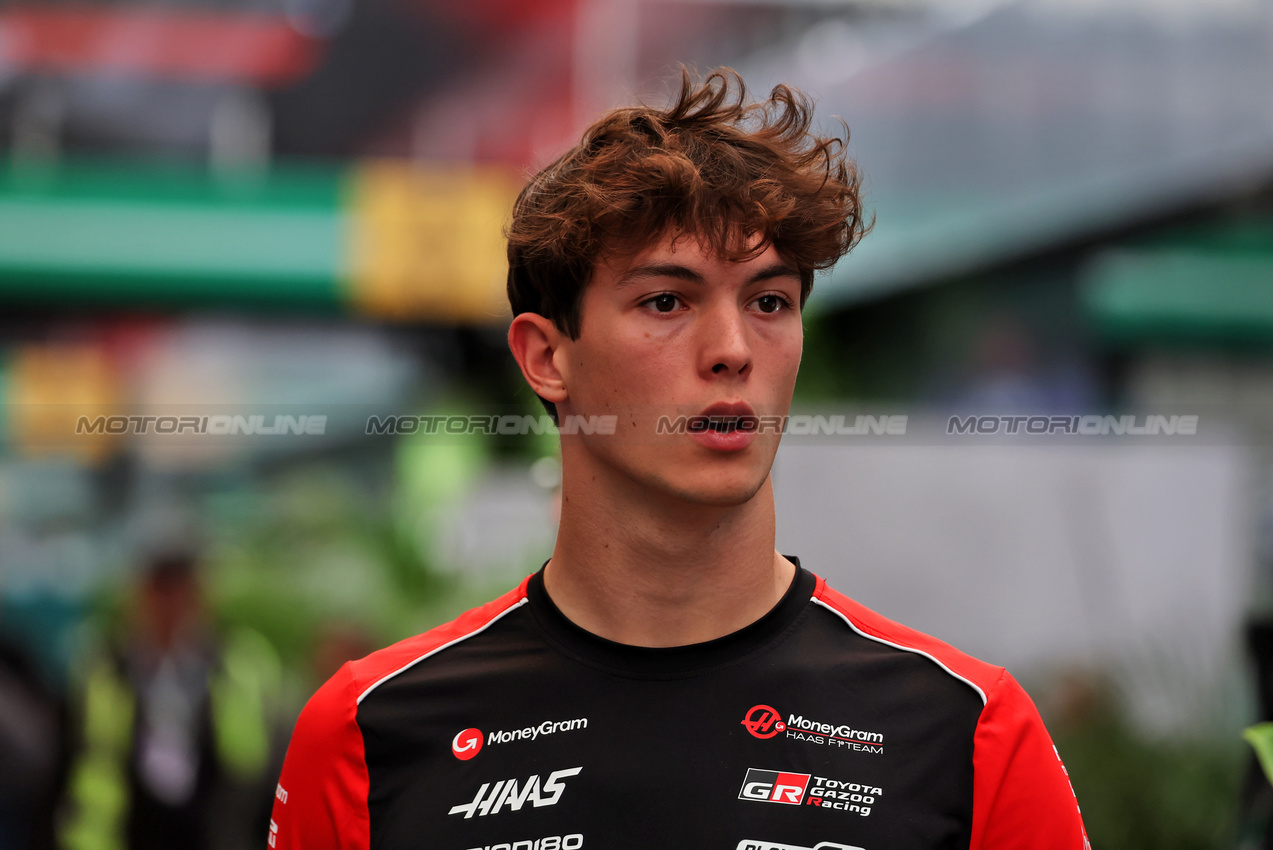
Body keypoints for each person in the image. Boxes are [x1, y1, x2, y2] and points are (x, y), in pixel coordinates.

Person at [269, 68, 1090, 850]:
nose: (732, 350)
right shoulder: (366, 733)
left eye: (769, 302)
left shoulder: (969, 735)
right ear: (546, 358)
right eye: (666, 301)